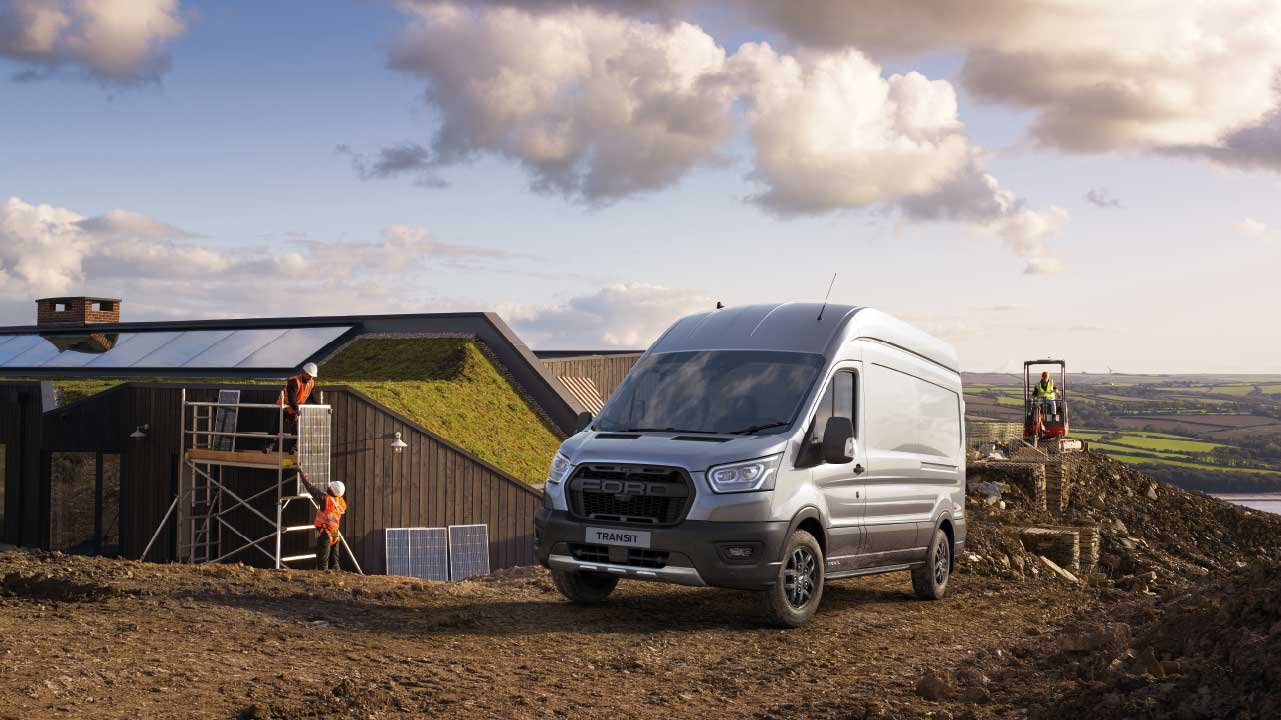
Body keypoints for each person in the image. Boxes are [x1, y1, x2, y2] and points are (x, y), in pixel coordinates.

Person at [299, 470, 346, 572]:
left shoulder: (326, 500)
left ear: (331, 490)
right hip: (335, 534)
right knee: (335, 563)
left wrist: (301, 473)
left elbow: (311, 488)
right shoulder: (340, 501)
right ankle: (338, 577)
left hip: (326, 534)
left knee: (322, 565)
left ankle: (323, 580)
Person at [274, 362, 318, 452]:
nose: (311, 378)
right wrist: (297, 409)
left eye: (312, 376)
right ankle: (268, 444)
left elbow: (312, 396)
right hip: (284, 407)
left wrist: (320, 406)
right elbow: (291, 398)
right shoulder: (294, 382)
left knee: (295, 429)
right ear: (303, 372)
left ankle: (293, 447)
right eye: (309, 375)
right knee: (276, 426)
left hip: (294, 407)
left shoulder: (311, 383)